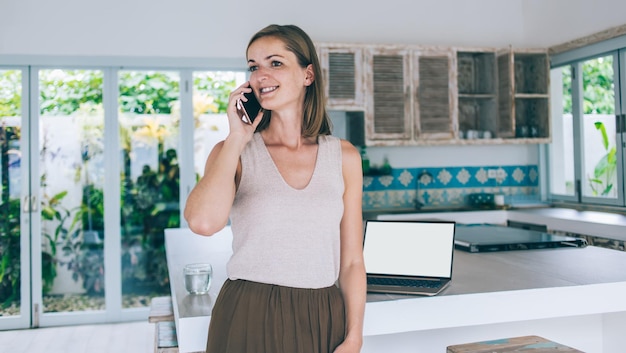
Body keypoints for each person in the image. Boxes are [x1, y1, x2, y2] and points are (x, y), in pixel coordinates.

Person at [183, 24, 366, 353]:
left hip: (323, 314)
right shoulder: (234, 152)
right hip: (248, 312)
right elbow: (202, 223)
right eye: (253, 66)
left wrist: (354, 336)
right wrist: (238, 137)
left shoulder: (345, 157)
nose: (260, 75)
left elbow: (352, 262)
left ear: (307, 75)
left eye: (275, 63)